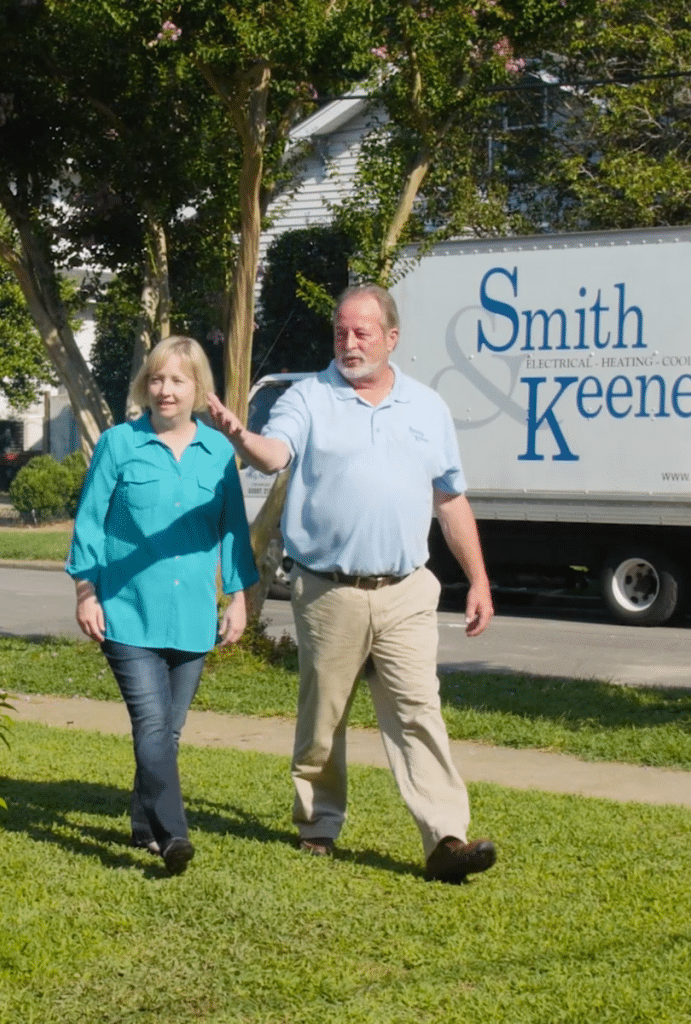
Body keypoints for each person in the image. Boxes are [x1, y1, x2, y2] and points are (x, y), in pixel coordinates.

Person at [207, 284, 497, 884]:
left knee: (419, 711)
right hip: (329, 590)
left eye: (363, 332)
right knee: (324, 717)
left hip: (407, 590)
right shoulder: (308, 397)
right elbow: (274, 453)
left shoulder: (426, 407)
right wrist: (241, 436)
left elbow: (450, 497)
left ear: (392, 338)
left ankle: (446, 836)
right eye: (341, 331)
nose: (349, 342)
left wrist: (478, 579)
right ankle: (318, 825)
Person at [67, 335, 259, 875]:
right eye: (156, 379)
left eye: (177, 380)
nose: (165, 390)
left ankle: (141, 820)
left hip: (193, 616)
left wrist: (237, 600)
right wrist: (86, 592)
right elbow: (90, 523)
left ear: (198, 388)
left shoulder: (220, 452)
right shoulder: (117, 445)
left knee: (167, 733)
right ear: (144, 386)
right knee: (152, 725)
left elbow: (232, 532)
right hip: (126, 610)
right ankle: (174, 834)